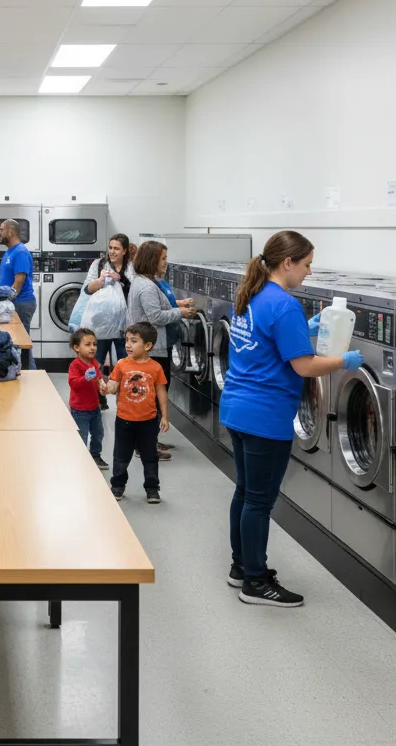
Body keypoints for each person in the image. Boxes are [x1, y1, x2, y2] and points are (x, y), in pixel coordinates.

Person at [221, 231, 364, 608]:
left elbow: (267, 343)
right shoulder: (283, 305)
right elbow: (304, 366)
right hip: (264, 417)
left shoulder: (252, 294)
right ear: (287, 263)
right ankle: (255, 581)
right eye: (306, 264)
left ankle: (241, 566)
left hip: (236, 408)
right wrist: (344, 362)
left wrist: (308, 327)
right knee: (259, 502)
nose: (309, 271)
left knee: (245, 493)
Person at [129, 239, 196, 458]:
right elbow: (155, 316)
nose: (166, 263)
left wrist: (178, 304)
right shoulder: (147, 286)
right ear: (152, 260)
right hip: (153, 349)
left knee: (152, 397)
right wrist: (181, 313)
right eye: (163, 258)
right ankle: (146, 446)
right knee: (153, 398)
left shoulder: (146, 282)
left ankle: (150, 442)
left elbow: (160, 306)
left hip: (153, 347)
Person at [106, 322, 169, 503]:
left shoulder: (155, 367)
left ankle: (152, 489)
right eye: (126, 340)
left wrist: (164, 416)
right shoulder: (121, 364)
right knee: (121, 456)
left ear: (147, 346)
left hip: (148, 421)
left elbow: (161, 391)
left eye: (133, 341)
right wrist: (106, 388)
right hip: (124, 419)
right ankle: (117, 486)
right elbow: (113, 385)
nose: (128, 345)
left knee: (150, 456)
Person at [82, 233, 134, 408]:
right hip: (101, 323)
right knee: (95, 360)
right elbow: (87, 289)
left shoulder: (130, 267)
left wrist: (122, 279)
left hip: (123, 324)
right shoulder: (98, 265)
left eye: (116, 249)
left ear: (124, 251)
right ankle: (97, 398)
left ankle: (125, 398)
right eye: (110, 248)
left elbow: (135, 290)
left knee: (124, 362)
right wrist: (100, 280)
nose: (112, 252)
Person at [67, 327, 108, 468]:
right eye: (88, 344)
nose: (93, 348)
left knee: (98, 434)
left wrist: (102, 385)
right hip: (79, 410)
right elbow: (73, 383)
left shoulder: (95, 363)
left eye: (95, 344)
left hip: (94, 407)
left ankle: (95, 455)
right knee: (82, 436)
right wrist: (85, 378)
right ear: (77, 347)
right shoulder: (75, 365)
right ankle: (81, 459)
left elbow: (98, 378)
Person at [0, 218, 36, 370]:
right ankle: (27, 371)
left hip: (21, 303)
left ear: (11, 232)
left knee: (22, 342)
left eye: (1, 230)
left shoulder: (20, 252)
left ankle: (31, 374)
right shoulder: (9, 252)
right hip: (14, 302)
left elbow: (18, 283)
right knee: (18, 341)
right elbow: (3, 281)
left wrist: (3, 302)